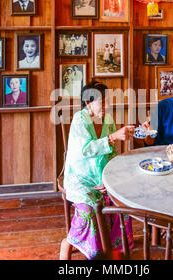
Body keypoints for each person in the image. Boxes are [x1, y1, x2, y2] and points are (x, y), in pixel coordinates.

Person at [60, 81, 135, 260]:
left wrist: (106, 179)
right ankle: (69, 243)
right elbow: (86, 149)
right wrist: (113, 137)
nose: (108, 106)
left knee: (121, 203)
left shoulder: (107, 120)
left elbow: (111, 154)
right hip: (80, 179)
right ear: (88, 103)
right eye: (103, 102)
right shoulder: (80, 119)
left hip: (101, 178)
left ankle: (114, 251)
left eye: (108, 101)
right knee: (90, 210)